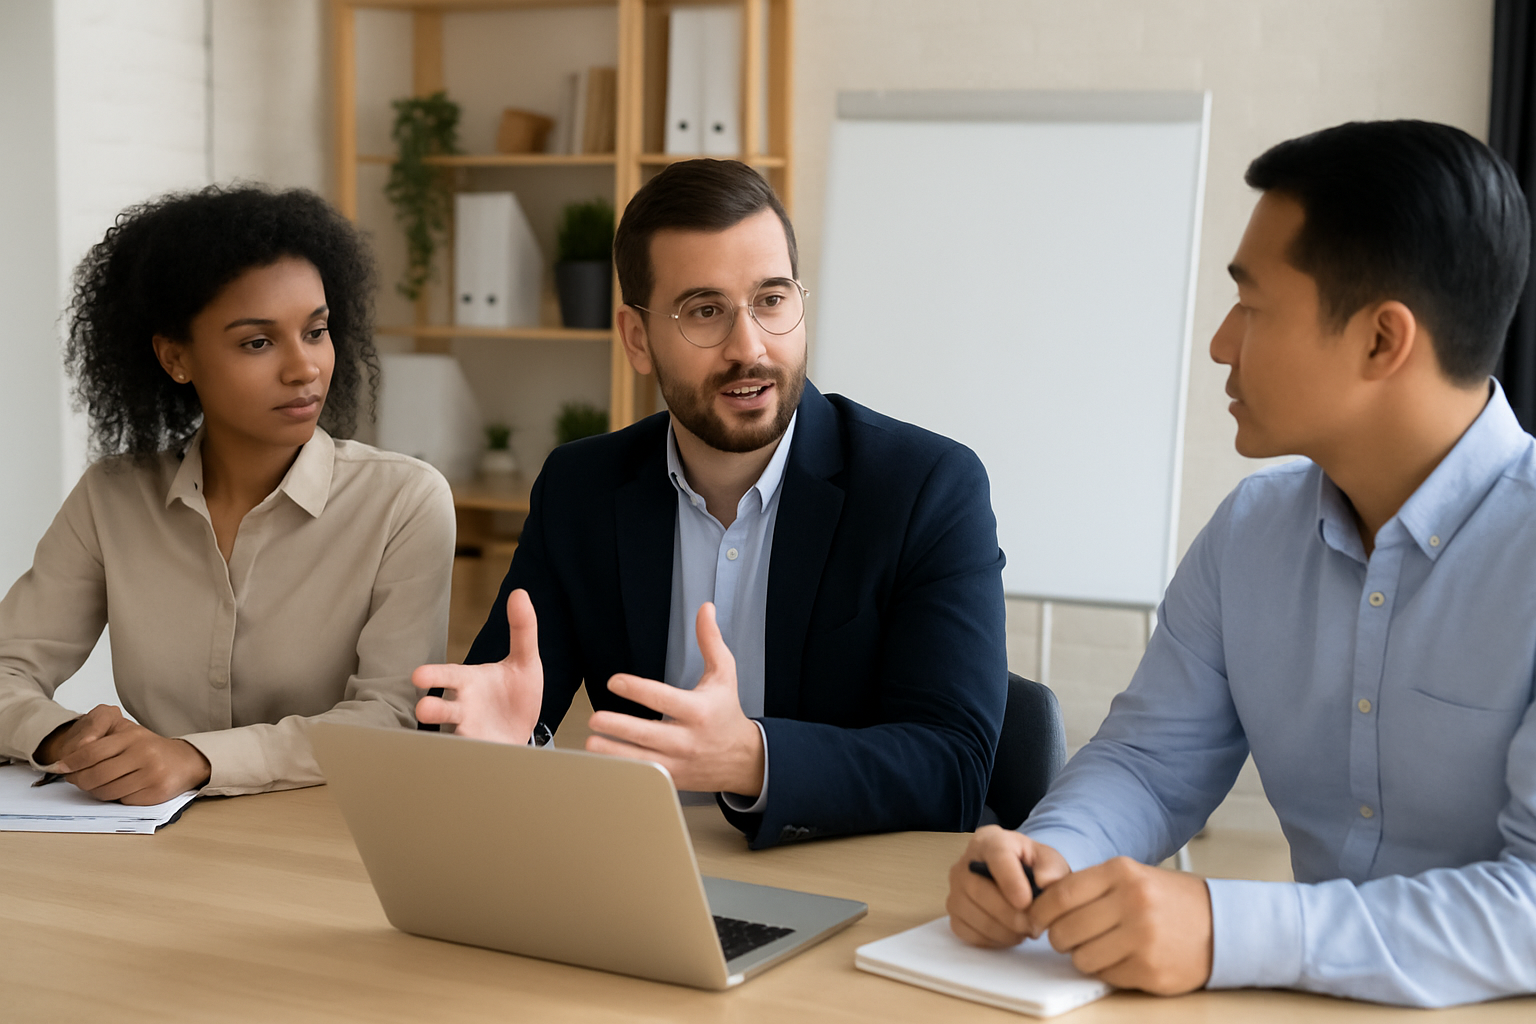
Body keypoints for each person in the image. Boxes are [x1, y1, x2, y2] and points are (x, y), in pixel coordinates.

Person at [947, 120, 1536, 1008]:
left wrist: (1226, 929)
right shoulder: (1251, 531)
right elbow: (1148, 764)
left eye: (1252, 308)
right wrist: (1050, 859)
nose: (1221, 343)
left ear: (1382, 342)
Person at [414, 159, 1007, 849]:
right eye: (705, 311)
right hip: (642, 874)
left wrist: (750, 759)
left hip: (845, 882)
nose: (749, 347)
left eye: (772, 300)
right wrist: (489, 743)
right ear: (637, 339)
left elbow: (956, 769)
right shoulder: (583, 490)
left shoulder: (925, 489)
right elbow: (495, 706)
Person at [0, 186, 455, 803]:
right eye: (258, 342)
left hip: (328, 837)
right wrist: (68, 740)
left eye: (316, 331)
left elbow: (392, 716)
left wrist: (194, 759)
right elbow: (7, 670)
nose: (305, 368)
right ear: (175, 357)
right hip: (145, 843)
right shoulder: (111, 499)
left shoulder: (404, 502)